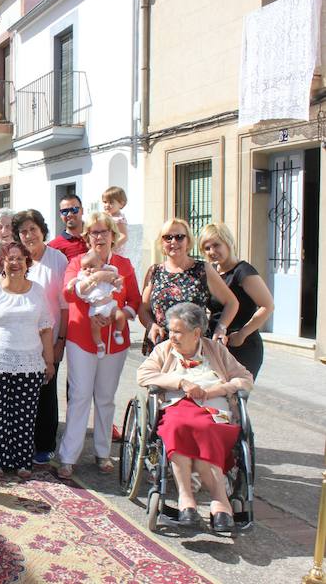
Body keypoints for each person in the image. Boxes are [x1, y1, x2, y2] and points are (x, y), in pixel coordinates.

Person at [137, 302, 253, 532]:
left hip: (213, 409)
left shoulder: (216, 350)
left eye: (178, 331)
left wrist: (216, 390)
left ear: (196, 333)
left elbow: (245, 378)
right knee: (178, 426)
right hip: (179, 405)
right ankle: (194, 499)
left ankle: (213, 500)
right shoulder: (164, 350)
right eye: (171, 331)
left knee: (205, 430)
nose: (172, 337)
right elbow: (144, 374)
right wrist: (180, 381)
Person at [57, 212, 141, 480]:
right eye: (94, 232)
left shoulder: (124, 265)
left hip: (114, 342)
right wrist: (90, 279)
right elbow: (68, 293)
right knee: (80, 396)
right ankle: (69, 457)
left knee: (105, 398)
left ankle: (103, 452)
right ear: (87, 236)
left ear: (113, 236)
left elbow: (135, 301)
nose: (99, 237)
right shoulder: (77, 262)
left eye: (104, 232)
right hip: (82, 338)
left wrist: (121, 315)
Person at [0, 241, 55, 477]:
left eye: (19, 258)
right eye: (9, 258)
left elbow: (46, 329)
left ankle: (22, 462)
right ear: (2, 263)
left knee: (24, 417)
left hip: (30, 366)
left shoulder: (37, 291)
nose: (15, 263)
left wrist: (49, 362)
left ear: (27, 263)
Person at [14, 210, 69, 466]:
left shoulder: (57, 259)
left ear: (42, 230)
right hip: (22, 338)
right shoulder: (17, 259)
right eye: (23, 231)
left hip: (49, 338)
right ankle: (22, 442)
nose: (28, 235)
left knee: (46, 390)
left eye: (32, 229)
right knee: (24, 391)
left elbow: (66, 306)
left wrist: (61, 341)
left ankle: (45, 444)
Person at [139, 218, 239, 353]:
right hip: (162, 347)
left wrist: (221, 328)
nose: (173, 242)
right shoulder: (154, 272)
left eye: (179, 237)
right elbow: (143, 309)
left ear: (188, 241)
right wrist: (151, 325)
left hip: (195, 348)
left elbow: (231, 302)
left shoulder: (203, 269)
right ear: (162, 243)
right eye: (168, 237)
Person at [200, 223, 274, 379]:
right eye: (207, 248)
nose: (212, 251)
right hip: (216, 343)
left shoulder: (243, 271)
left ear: (228, 242)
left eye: (216, 245)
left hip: (242, 346)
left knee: (236, 399)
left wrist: (242, 334)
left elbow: (267, 305)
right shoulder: (212, 272)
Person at [74, 251, 126, 358]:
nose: (88, 270)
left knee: (120, 316)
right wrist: (91, 281)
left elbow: (117, 280)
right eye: (85, 268)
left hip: (111, 305)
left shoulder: (108, 271)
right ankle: (99, 345)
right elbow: (78, 289)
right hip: (96, 308)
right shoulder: (83, 278)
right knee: (95, 328)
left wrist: (116, 282)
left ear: (101, 264)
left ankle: (118, 332)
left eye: (92, 266)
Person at [48, 193, 88, 261]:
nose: (69, 214)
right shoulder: (53, 247)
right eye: (64, 211)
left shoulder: (95, 236)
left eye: (74, 210)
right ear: (60, 215)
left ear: (82, 211)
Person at [101, 186, 129, 252]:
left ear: (121, 204)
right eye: (105, 202)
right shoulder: (107, 216)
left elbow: (124, 237)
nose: (107, 205)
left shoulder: (119, 219)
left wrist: (111, 248)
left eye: (111, 202)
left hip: (115, 252)